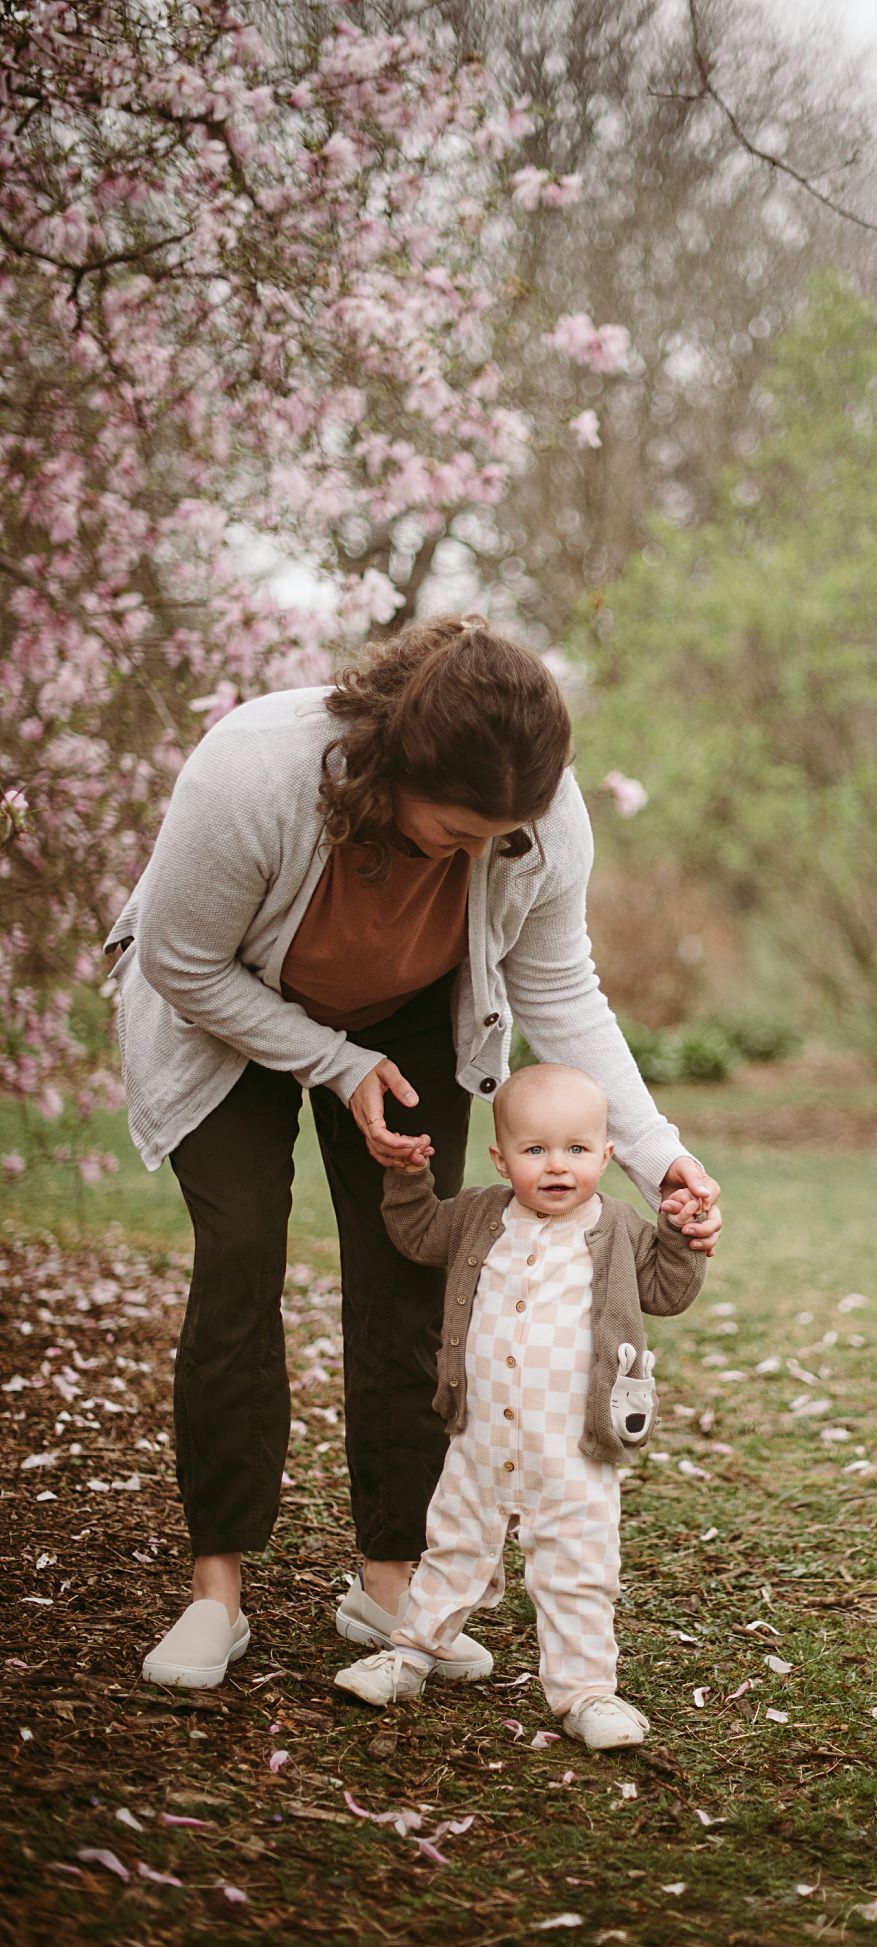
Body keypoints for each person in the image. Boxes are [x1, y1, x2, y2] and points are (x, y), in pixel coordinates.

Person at [104, 616, 721, 1690]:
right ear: (396, 770)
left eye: (505, 834)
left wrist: (654, 1153)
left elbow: (558, 987)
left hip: (408, 1021)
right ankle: (217, 1591)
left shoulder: (537, 819)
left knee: (411, 1271)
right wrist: (331, 1064)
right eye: (460, 832)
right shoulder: (255, 772)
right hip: (220, 1016)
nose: (486, 854)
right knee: (241, 1254)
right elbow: (179, 960)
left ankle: (387, 1581)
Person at [334, 1063, 706, 1750]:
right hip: (480, 1438)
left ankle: (587, 1691)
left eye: (576, 1149)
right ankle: (411, 1652)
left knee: (577, 1569)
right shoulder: (478, 1215)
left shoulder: (619, 1228)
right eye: (535, 1150)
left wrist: (682, 1235)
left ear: (607, 1155)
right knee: (451, 1549)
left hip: (575, 1449)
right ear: (501, 1158)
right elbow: (416, 1235)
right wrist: (409, 1178)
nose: (557, 1165)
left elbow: (668, 1289)